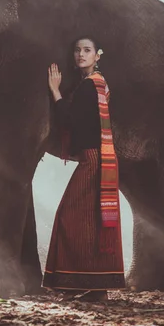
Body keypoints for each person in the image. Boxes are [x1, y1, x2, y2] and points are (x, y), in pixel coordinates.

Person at [42, 36, 125, 302]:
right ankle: (95, 287)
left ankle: (77, 282)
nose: (81, 55)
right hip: (100, 159)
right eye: (77, 50)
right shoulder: (97, 84)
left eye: (87, 51)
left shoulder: (90, 86)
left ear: (97, 55)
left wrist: (55, 91)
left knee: (70, 217)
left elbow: (69, 119)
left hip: (92, 161)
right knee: (92, 222)